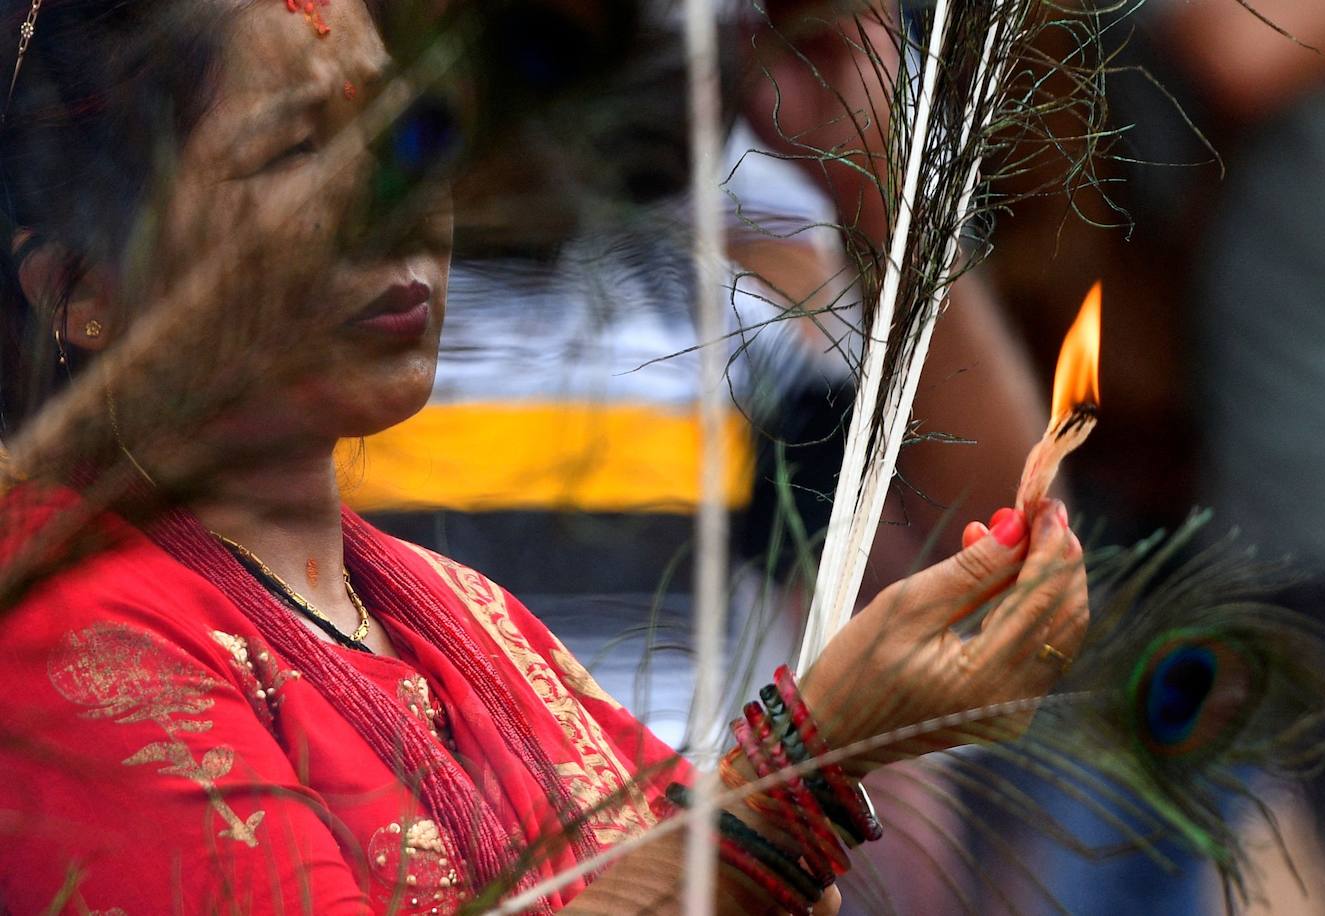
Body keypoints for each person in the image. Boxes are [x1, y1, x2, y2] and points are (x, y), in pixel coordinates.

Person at [0, 0, 1089, 912]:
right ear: (82, 289)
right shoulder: (57, 638)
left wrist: (839, 755)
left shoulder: (470, 619)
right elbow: (736, 850)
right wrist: (806, 766)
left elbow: (727, 873)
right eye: (293, 149)